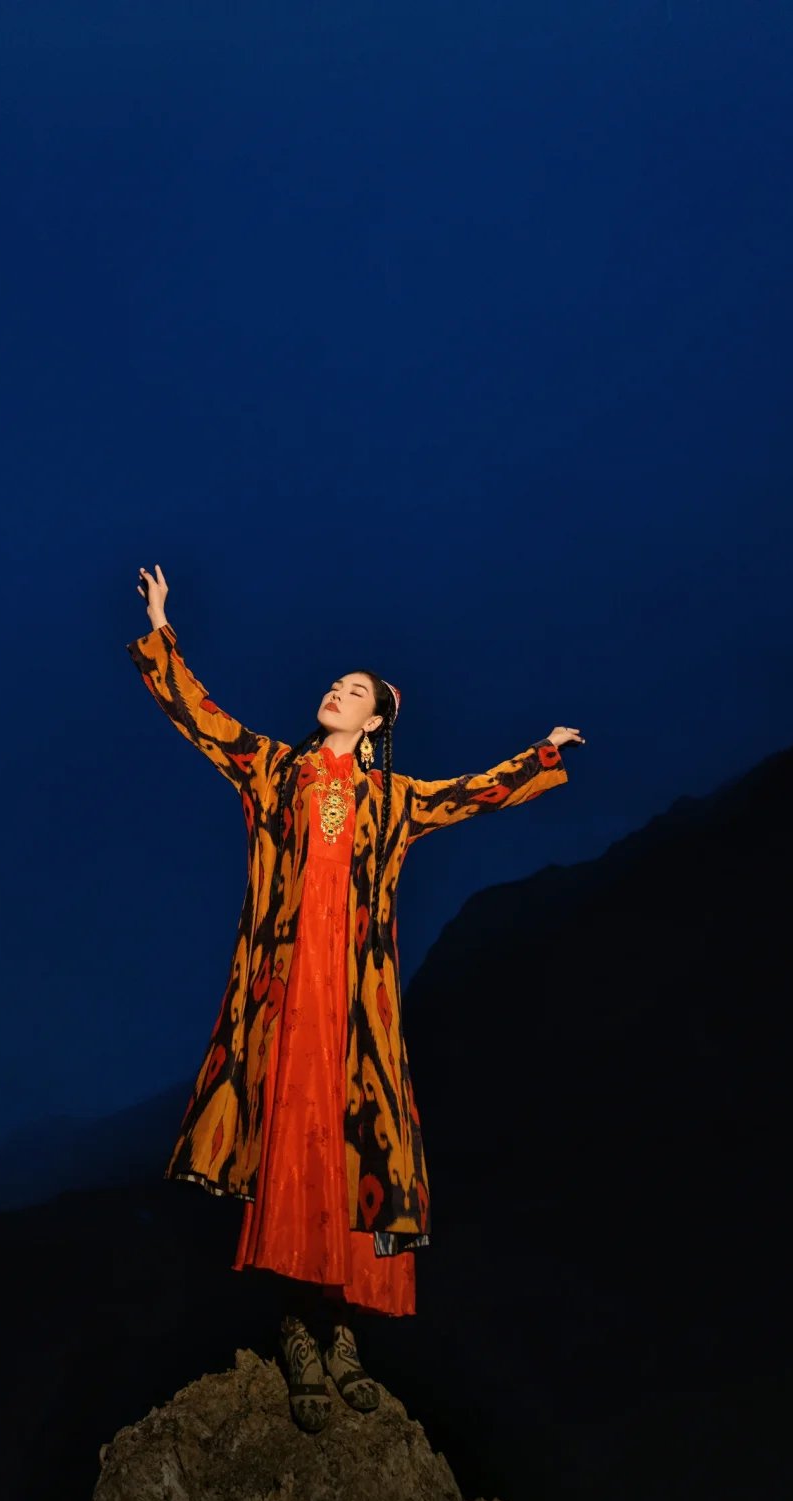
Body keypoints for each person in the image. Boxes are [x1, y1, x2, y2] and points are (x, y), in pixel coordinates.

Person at [128, 563, 581, 1433]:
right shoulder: (276, 771)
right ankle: (299, 1331)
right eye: (336, 683)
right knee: (292, 1139)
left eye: (356, 690)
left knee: (354, 1148)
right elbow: (204, 721)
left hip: (356, 1002)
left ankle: (340, 1333)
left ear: (376, 721)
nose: (337, 691)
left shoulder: (394, 799)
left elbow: (469, 795)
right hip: (286, 989)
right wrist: (161, 630)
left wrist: (543, 754)